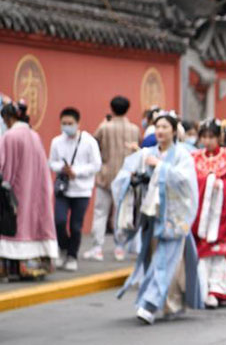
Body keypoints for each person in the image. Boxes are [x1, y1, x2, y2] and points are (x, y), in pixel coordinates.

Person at [113, 111, 203, 325]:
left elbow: (185, 181)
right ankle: (171, 303)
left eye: (165, 127)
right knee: (156, 260)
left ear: (174, 130)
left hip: (173, 216)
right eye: (157, 127)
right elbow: (123, 176)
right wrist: (133, 179)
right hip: (151, 215)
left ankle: (149, 304)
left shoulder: (182, 155)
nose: (160, 131)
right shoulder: (146, 153)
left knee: (164, 261)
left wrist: (160, 167)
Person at [0, 101, 58, 279]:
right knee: (33, 226)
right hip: (37, 193)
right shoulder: (34, 135)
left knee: (13, 228)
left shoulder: (9, 136)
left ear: (8, 118)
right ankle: (32, 268)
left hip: (15, 192)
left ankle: (10, 269)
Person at [191, 119, 226, 308]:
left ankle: (220, 289)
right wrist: (205, 184)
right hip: (201, 217)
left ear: (219, 137)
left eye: (211, 137)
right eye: (204, 137)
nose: (207, 141)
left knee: (222, 255)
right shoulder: (194, 158)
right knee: (203, 254)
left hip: (224, 216)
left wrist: (219, 185)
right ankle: (204, 289)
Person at [85, 95, 141, 262]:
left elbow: (95, 145)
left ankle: (97, 247)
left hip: (105, 175)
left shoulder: (105, 127)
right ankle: (120, 247)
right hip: (125, 176)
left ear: (112, 108)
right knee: (121, 213)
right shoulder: (134, 129)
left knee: (101, 212)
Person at [48, 107, 102, 271]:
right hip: (63, 189)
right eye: (64, 123)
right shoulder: (57, 141)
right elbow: (52, 162)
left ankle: (72, 256)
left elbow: (96, 164)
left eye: (70, 123)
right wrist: (63, 169)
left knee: (76, 226)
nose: (66, 126)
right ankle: (63, 247)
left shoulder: (89, 141)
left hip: (82, 190)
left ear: (78, 123)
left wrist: (76, 171)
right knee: (59, 221)